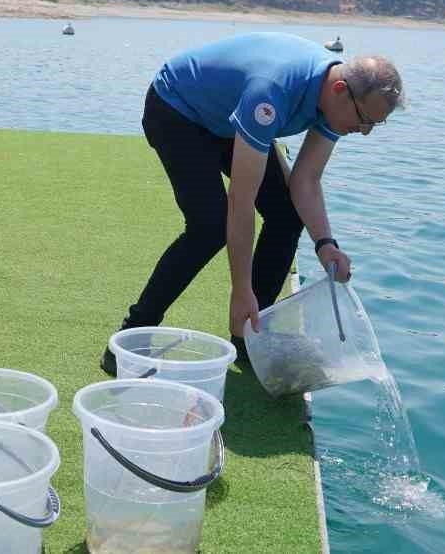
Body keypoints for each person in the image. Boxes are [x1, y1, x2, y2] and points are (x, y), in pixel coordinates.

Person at [101, 35, 404, 375]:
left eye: (374, 124)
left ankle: (249, 335)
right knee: (210, 226)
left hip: (229, 116)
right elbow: (241, 203)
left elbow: (306, 181)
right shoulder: (271, 93)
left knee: (287, 215)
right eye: (364, 120)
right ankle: (131, 336)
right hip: (178, 109)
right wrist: (241, 290)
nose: (364, 132)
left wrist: (325, 243)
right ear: (339, 91)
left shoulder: (335, 103)